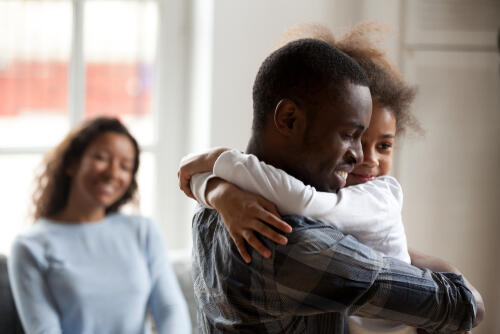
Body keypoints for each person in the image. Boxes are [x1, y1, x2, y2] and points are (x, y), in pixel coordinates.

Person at [179, 23, 480, 334]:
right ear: (289, 119)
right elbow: (464, 304)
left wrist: (215, 188)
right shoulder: (289, 240)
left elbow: (204, 174)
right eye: (350, 136)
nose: (359, 157)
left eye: (379, 143)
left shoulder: (211, 211)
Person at [8, 117, 191, 334]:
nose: (113, 173)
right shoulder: (30, 246)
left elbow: (169, 309)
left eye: (125, 166)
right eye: (102, 158)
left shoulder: (142, 231)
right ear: (72, 163)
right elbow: (43, 329)